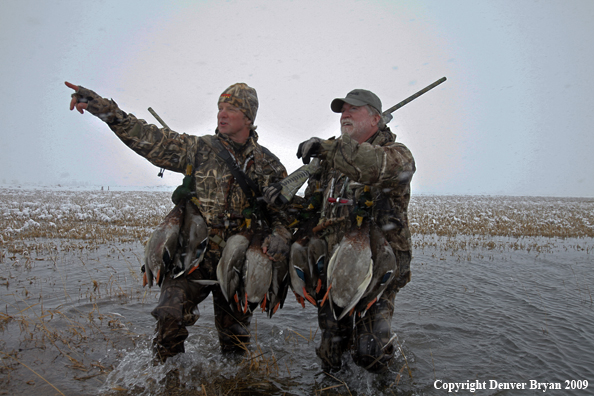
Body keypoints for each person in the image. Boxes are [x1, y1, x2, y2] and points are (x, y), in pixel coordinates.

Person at [65, 81, 292, 361]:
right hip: (191, 256)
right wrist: (107, 111)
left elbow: (284, 215)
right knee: (169, 317)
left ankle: (236, 384)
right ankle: (168, 379)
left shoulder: (268, 165)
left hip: (239, 260)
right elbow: (150, 138)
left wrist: (280, 235)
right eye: (220, 108)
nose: (221, 114)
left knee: (235, 343)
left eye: (231, 109)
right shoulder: (199, 149)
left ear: (248, 118)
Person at [284, 89, 415, 372]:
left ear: (376, 118)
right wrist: (279, 200)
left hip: (376, 268)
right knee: (331, 349)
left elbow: (372, 166)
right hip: (335, 267)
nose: (345, 114)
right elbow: (311, 209)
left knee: (371, 351)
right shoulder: (329, 164)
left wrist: (330, 148)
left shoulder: (397, 155)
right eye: (342, 110)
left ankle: (385, 387)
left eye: (354, 109)